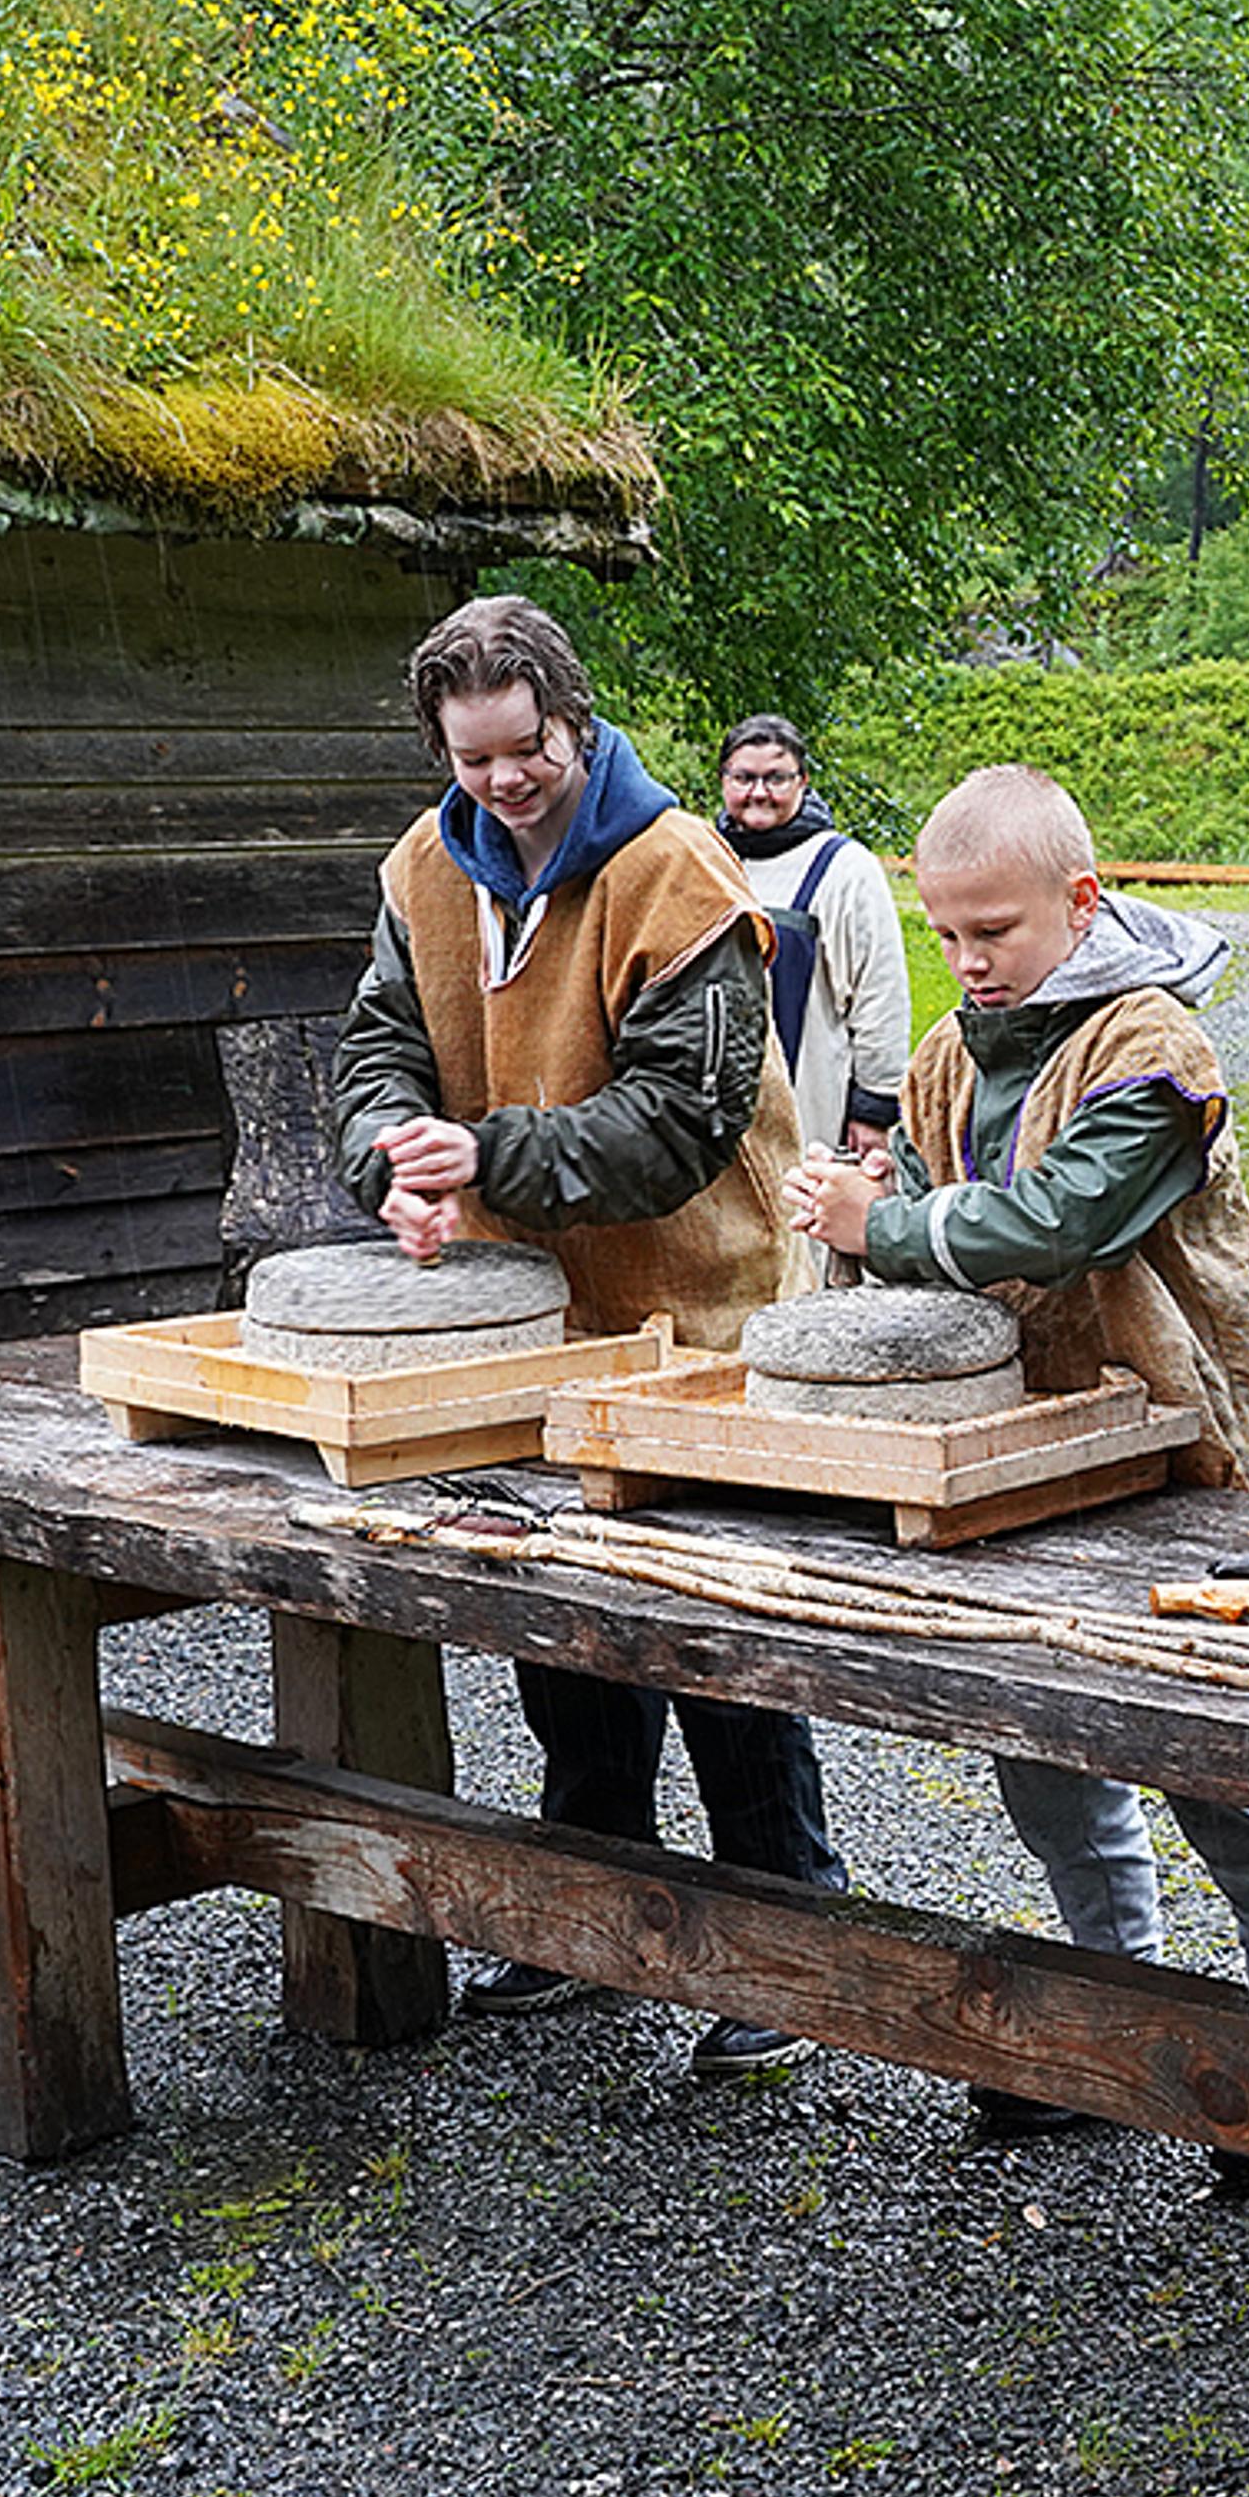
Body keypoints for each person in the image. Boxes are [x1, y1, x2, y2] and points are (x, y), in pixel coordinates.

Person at [788, 764, 1249, 2192]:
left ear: (1081, 903)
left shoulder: (1156, 1048)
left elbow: (1060, 1223)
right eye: (947, 934)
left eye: (996, 932)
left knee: (1217, 1767)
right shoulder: (945, 1053)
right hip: (1021, 1461)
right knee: (1040, 1754)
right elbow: (931, 1210)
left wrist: (882, 1223)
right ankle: (1114, 2028)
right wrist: (875, 1212)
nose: (968, 961)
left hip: (1189, 1457)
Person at [327, 593, 840, 2077]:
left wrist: (484, 1154)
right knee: (554, 1625)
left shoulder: (678, 872)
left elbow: (681, 1118)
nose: (503, 779)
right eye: (473, 756)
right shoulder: (423, 870)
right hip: (531, 1318)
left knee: (718, 1635)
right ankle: (591, 1922)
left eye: (526, 747)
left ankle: (783, 1941)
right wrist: (393, 1155)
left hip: (702, 1316)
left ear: (575, 718)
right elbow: (376, 1050)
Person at [715, 714, 912, 1161]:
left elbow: (879, 995)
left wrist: (873, 1108)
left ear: (803, 781)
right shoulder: (704, 860)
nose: (759, 792)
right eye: (744, 778)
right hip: (709, 1113)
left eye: (776, 778)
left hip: (809, 1110)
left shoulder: (844, 868)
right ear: (724, 780)